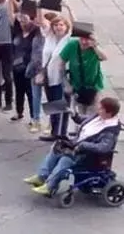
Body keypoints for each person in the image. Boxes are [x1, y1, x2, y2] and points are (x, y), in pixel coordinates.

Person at [24, 97, 121, 196]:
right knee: (57, 148)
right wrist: (74, 115)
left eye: (101, 108)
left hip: (88, 155)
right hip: (77, 145)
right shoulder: (99, 116)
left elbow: (104, 147)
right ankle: (41, 177)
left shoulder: (110, 130)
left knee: (66, 159)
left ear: (109, 113)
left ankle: (50, 186)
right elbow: (84, 121)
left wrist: (84, 145)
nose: (98, 109)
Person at [58, 25, 107, 119]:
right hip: (77, 85)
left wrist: (95, 46)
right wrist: (66, 83)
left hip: (95, 85)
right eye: (82, 39)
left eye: (87, 40)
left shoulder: (94, 48)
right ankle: (80, 130)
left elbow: (104, 57)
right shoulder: (72, 45)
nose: (84, 42)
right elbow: (61, 64)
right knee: (79, 113)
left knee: (94, 112)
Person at [38, 13, 73, 141]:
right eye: (56, 25)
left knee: (62, 105)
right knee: (52, 104)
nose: (58, 27)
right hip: (48, 76)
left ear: (66, 27)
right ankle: (54, 131)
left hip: (62, 77)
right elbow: (40, 21)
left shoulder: (69, 39)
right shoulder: (49, 37)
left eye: (61, 25)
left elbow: (77, 26)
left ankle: (62, 133)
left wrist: (69, 9)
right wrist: (39, 6)